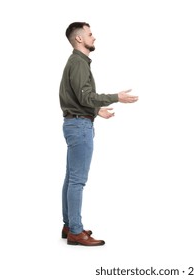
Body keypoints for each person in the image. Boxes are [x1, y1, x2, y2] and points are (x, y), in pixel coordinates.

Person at [59, 22, 138, 246]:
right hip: (79, 127)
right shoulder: (79, 63)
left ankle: (69, 225)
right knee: (77, 181)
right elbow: (84, 97)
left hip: (75, 123)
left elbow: (76, 97)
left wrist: (96, 110)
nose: (94, 37)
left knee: (71, 178)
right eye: (90, 34)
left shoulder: (76, 62)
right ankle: (75, 230)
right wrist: (116, 97)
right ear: (79, 39)